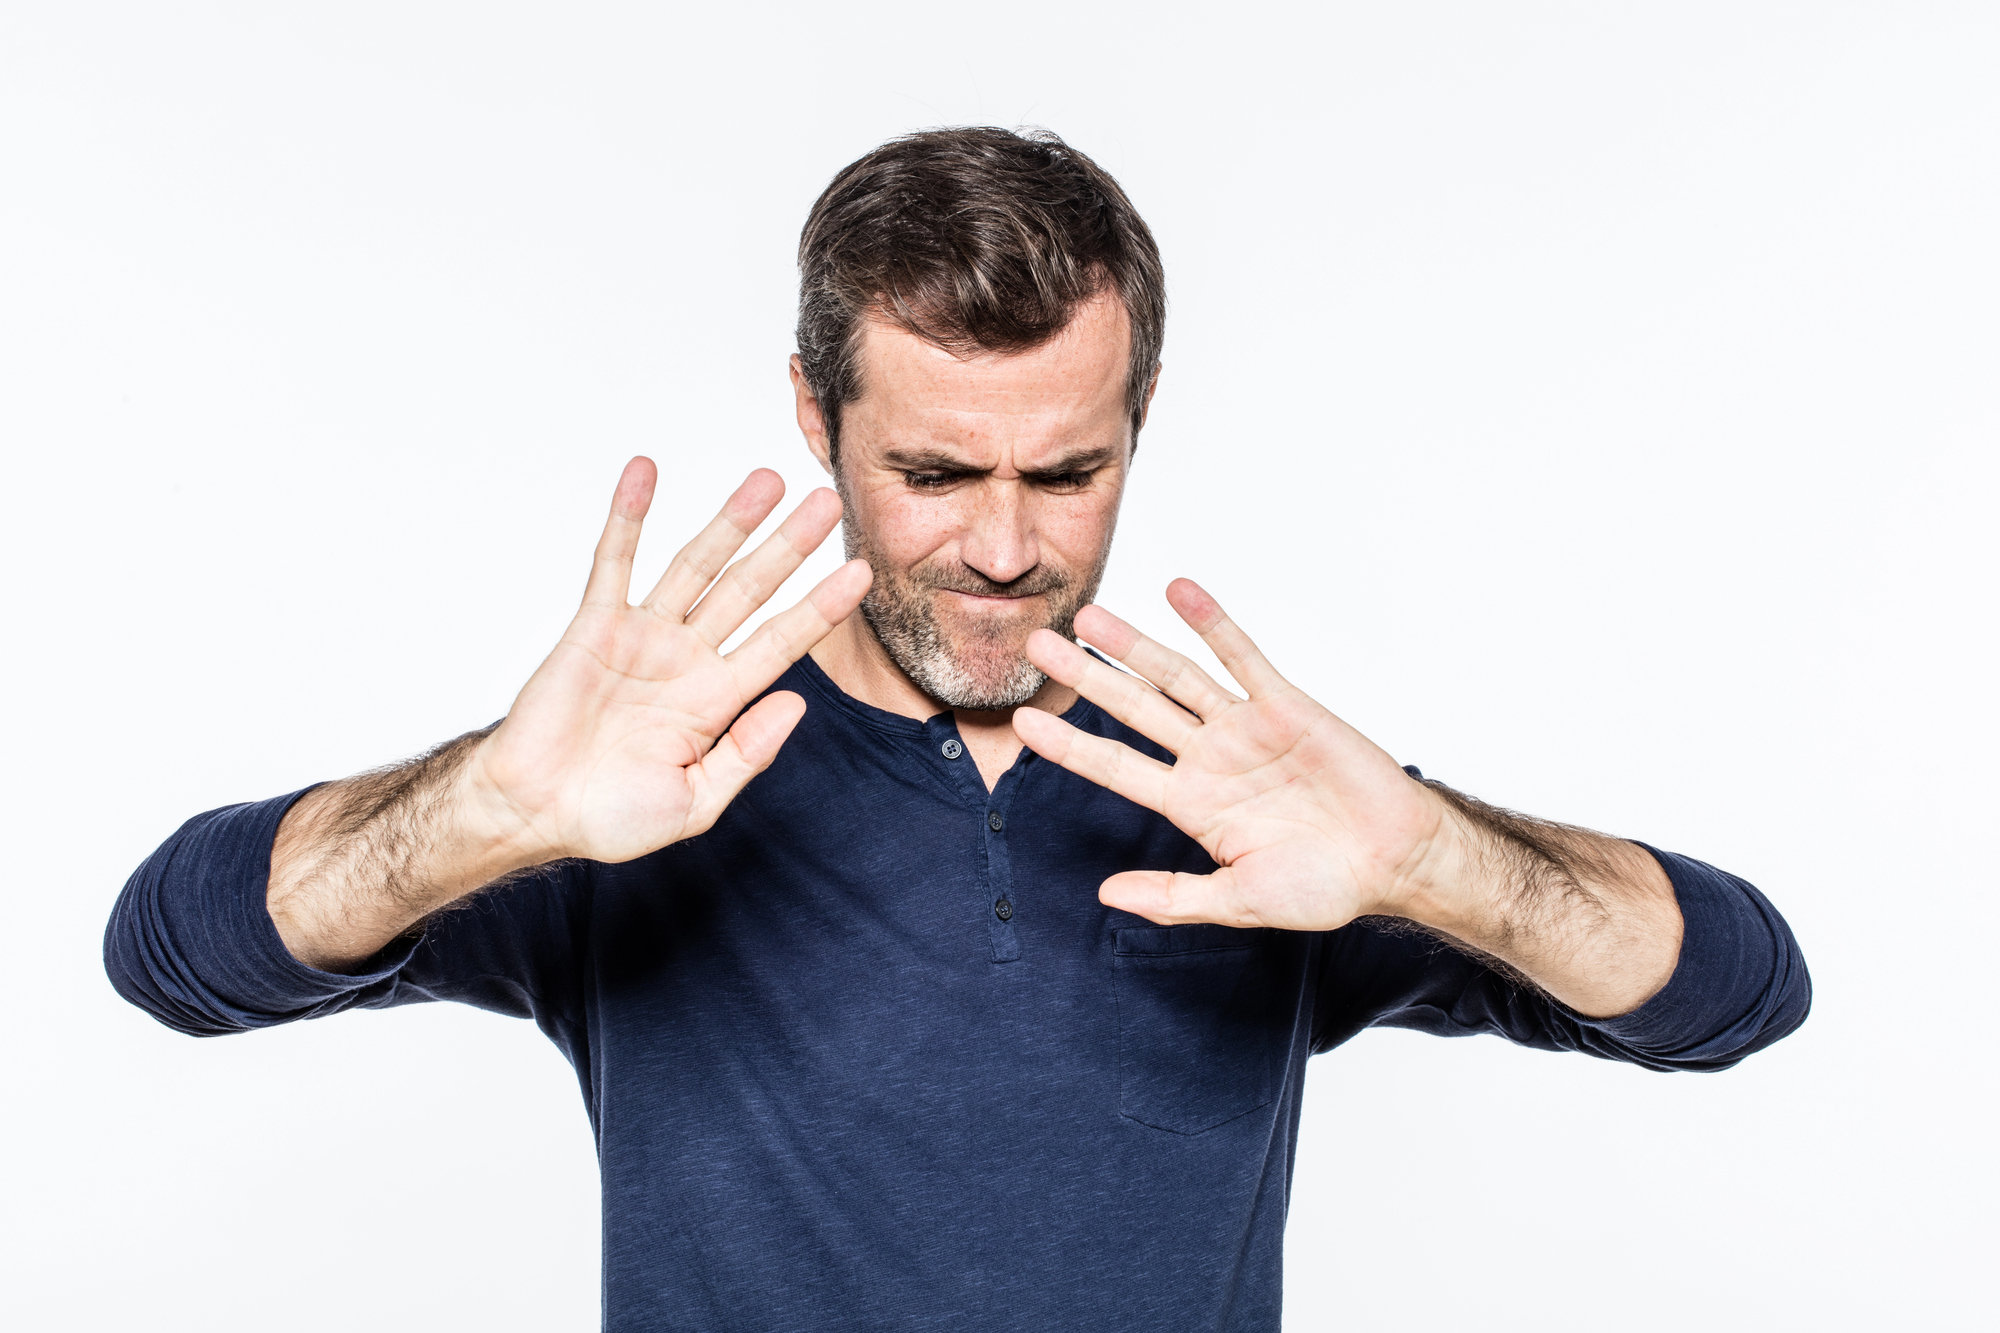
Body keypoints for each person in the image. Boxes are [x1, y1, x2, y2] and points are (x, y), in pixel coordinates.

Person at [106, 128, 1810, 1332]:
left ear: (1140, 418)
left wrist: (1435, 861)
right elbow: (172, 950)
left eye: (1069, 472)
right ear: (813, 412)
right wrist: (481, 807)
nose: (1006, 547)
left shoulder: (1241, 799)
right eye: (934, 473)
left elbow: (1738, 991)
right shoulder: (644, 789)